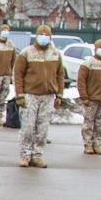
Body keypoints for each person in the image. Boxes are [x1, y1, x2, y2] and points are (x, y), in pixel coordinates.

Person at [14, 24, 65, 168]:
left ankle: (37, 155)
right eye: (41, 34)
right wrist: (19, 94)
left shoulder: (55, 54)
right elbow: (18, 74)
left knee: (43, 128)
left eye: (47, 35)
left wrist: (59, 94)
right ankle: (25, 155)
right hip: (30, 95)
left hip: (48, 96)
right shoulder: (26, 53)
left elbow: (60, 75)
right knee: (28, 127)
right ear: (36, 36)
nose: (44, 37)